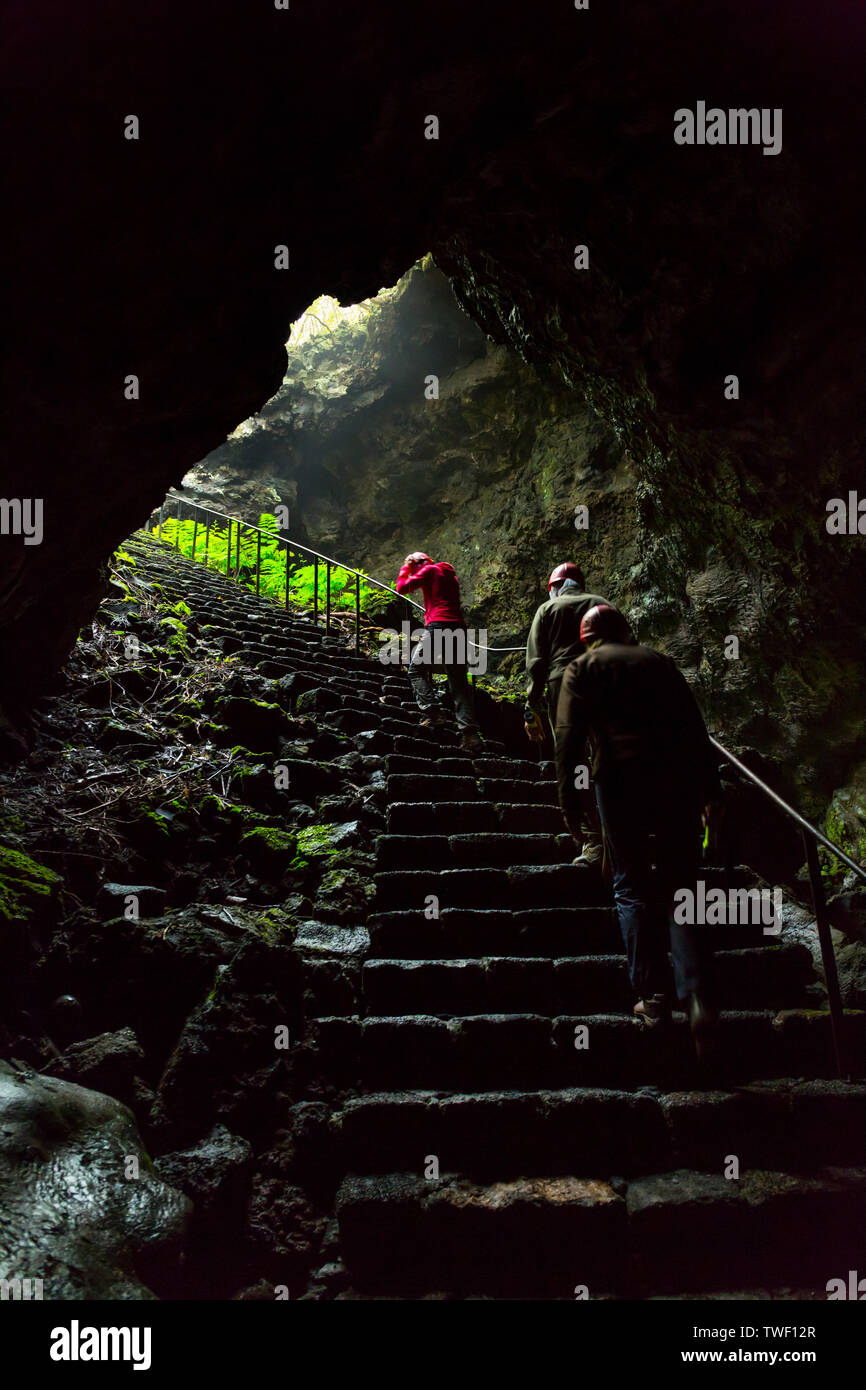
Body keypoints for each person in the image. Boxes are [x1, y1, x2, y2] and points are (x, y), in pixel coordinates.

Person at [554, 603, 723, 1060]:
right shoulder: (659, 661)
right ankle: (697, 996)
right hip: (675, 783)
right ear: (625, 630)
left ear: (587, 637)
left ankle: (652, 998)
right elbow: (694, 728)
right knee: (681, 886)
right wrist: (710, 790)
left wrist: (570, 802)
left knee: (629, 884)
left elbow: (567, 739)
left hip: (620, 784)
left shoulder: (581, 667)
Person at [524, 562, 610, 865]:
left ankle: (592, 839)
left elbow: (536, 662)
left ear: (554, 587)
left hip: (564, 686)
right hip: (604, 682)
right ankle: (619, 830)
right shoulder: (602, 604)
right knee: (608, 754)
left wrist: (530, 706)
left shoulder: (547, 610)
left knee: (573, 761)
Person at [395, 551, 483, 754]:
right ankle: (470, 735)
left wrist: (406, 567)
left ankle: (433, 711)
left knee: (415, 669)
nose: (414, 567)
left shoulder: (429, 570)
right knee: (458, 683)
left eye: (414, 563)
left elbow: (402, 588)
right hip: (459, 629)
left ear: (419, 562)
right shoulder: (449, 575)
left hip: (439, 626)